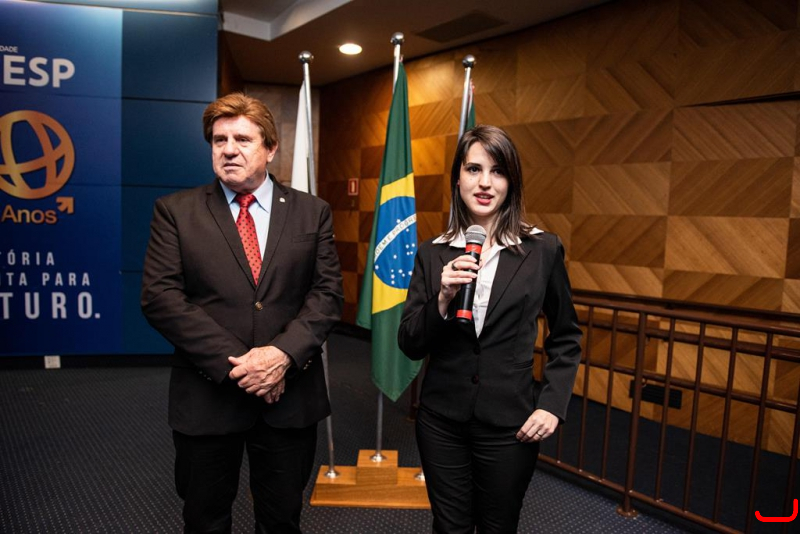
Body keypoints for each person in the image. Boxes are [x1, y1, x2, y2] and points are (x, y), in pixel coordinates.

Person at [141, 92, 343, 534]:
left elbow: (327, 294)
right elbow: (161, 298)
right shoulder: (176, 212)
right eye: (219, 140)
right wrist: (244, 366)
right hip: (208, 397)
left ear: (270, 148)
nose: (229, 150)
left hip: (289, 398)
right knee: (204, 520)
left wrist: (281, 356)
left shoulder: (312, 212)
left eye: (242, 139)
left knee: (281, 519)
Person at [398, 125, 582, 533]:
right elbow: (410, 342)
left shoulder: (542, 250)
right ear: (457, 179)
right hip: (441, 421)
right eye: (474, 169)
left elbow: (566, 336)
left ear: (511, 182)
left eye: (498, 171)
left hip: (509, 425)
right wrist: (442, 298)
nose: (485, 182)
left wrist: (552, 404)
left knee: (498, 526)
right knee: (450, 527)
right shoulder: (432, 253)